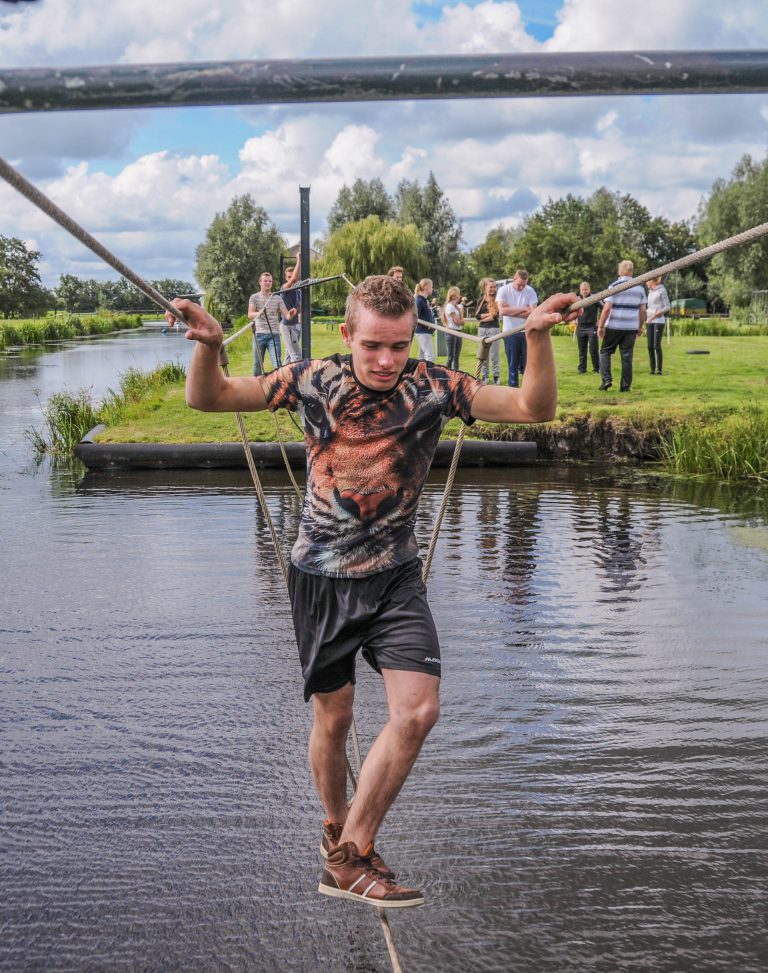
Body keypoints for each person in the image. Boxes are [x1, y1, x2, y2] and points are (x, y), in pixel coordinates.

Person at [170, 275, 577, 909]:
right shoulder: (311, 379)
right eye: (373, 347)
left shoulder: (437, 386)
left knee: (417, 711)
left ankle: (352, 854)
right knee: (334, 720)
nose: (387, 361)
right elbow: (211, 397)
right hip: (322, 580)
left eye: (399, 344)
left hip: (395, 579)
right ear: (347, 337)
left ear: (413, 333)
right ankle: (339, 829)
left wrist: (537, 337)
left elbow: (535, 409)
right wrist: (212, 344)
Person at [597, 260, 647, 392]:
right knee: (627, 357)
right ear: (632, 271)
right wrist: (640, 326)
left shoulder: (614, 286)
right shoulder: (640, 288)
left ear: (620, 271)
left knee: (605, 352)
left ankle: (606, 380)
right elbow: (643, 311)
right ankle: (625, 386)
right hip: (630, 327)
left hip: (614, 325)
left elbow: (607, 308)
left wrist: (600, 326)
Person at [497, 269, 537, 387]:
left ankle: (527, 390)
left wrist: (512, 310)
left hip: (526, 332)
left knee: (528, 364)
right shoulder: (504, 290)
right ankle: (513, 391)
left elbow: (533, 312)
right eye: (519, 284)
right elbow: (502, 311)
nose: (521, 288)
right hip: (510, 332)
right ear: (514, 279)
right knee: (512, 364)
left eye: (524, 285)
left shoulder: (530, 291)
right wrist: (524, 309)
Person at [248, 272, 288, 376]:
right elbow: (250, 314)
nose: (268, 283)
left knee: (277, 365)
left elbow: (287, 315)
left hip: (274, 335)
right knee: (257, 365)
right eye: (265, 281)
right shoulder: (254, 297)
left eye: (270, 281)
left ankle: (279, 388)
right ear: (260, 282)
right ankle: (255, 388)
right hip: (259, 335)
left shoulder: (277, 298)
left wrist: (290, 315)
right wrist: (260, 312)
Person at [475, 278, 501, 384]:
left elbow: (494, 317)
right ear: (485, 287)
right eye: (491, 287)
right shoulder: (480, 300)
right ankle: (485, 376)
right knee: (483, 354)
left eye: (494, 287)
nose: (493, 289)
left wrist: (483, 317)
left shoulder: (498, 300)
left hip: (493, 329)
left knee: (494, 354)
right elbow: (477, 316)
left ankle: (496, 376)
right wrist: (487, 315)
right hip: (482, 330)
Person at [646, 276, 671, 375]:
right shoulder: (650, 292)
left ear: (652, 280)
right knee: (649, 346)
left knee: (656, 345)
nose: (646, 283)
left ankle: (659, 370)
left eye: (647, 281)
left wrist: (658, 313)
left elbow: (668, 306)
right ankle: (652, 369)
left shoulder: (662, 290)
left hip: (658, 321)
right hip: (649, 321)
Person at [279, 258, 302, 364]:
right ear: (286, 278)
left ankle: (282, 377)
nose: (292, 279)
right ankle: (295, 379)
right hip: (287, 326)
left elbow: (299, 306)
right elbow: (293, 279)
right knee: (296, 355)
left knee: (289, 355)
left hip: (296, 325)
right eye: (289, 277)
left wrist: (300, 321)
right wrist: (299, 260)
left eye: (292, 276)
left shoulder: (298, 290)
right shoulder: (284, 288)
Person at [575, 281, 600, 374]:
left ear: (589, 289)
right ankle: (582, 369)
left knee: (593, 349)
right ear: (580, 290)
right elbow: (571, 310)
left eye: (586, 289)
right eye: (582, 289)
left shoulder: (594, 298)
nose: (584, 291)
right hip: (580, 327)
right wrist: (574, 319)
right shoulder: (577, 299)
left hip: (592, 327)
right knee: (582, 350)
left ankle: (597, 369)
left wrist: (600, 320)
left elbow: (604, 307)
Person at [442, 285, 464, 370]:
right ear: (455, 295)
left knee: (456, 356)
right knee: (450, 356)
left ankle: (456, 374)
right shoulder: (450, 306)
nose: (459, 296)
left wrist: (461, 320)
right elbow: (458, 321)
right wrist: (461, 319)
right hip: (451, 332)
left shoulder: (456, 307)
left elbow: (460, 322)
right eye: (458, 294)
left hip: (458, 331)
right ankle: (447, 375)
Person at [414, 278, 435, 362]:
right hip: (422, 332)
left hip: (425, 332)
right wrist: (428, 326)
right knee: (430, 356)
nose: (432, 289)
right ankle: (429, 374)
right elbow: (415, 317)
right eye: (431, 287)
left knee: (421, 357)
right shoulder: (419, 300)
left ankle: (420, 374)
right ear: (426, 287)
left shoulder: (424, 301)